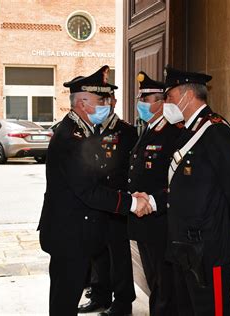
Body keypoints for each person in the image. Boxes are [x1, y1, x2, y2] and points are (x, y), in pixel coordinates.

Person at [38, 65, 153, 316]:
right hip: (68, 234)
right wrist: (132, 204)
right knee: (64, 299)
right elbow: (88, 190)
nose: (107, 104)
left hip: (75, 231)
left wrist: (129, 196)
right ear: (82, 103)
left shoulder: (80, 131)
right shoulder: (71, 138)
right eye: (101, 100)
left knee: (65, 295)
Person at [164, 66, 230, 315]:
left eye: (170, 96)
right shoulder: (189, 130)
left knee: (213, 310)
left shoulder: (215, 130)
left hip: (210, 247)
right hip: (186, 244)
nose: (168, 103)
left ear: (187, 95)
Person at [126, 71, 185, 315]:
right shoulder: (149, 129)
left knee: (164, 282)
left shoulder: (173, 133)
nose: (141, 104)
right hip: (144, 220)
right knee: (153, 279)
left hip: (160, 220)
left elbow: (175, 181)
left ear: (162, 103)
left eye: (146, 100)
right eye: (141, 99)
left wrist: (150, 201)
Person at [78, 89, 138, 316]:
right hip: (95, 203)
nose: (102, 104)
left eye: (106, 100)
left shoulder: (127, 131)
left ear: (114, 101)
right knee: (98, 251)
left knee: (119, 255)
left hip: (117, 203)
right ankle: (100, 294)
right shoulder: (89, 130)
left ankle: (123, 303)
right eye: (98, 100)